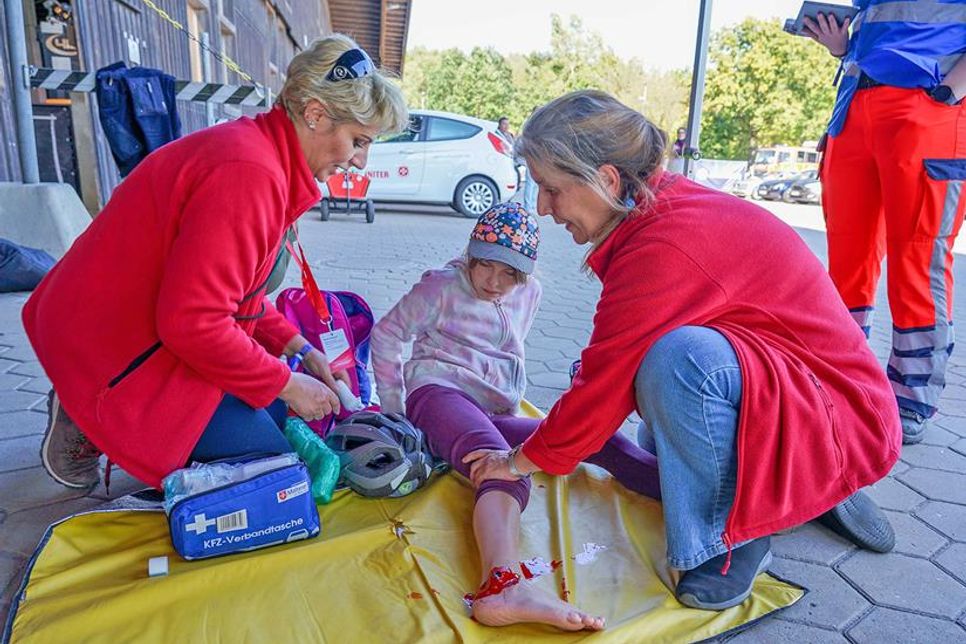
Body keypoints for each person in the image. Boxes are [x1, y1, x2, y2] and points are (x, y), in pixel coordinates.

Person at [464, 90, 900, 612]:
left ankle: (728, 538)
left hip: (840, 420)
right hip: (814, 405)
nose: (541, 207)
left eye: (550, 189)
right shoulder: (659, 208)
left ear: (606, 180)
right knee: (656, 374)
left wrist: (516, 463)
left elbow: (600, 390)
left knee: (677, 361)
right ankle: (805, 483)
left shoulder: (663, 243)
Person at [25, 34, 408, 491]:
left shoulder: (262, 157)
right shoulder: (250, 174)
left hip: (135, 326)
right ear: (316, 114)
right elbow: (194, 322)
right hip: (112, 346)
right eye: (358, 141)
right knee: (276, 476)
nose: (360, 162)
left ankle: (102, 407)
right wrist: (287, 383)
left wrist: (301, 350)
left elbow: (235, 294)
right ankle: (87, 407)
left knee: (276, 418)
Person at [370, 202, 660, 631]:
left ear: (525, 274)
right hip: (439, 394)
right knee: (503, 466)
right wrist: (396, 412)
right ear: (470, 255)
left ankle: (704, 499)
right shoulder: (442, 287)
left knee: (597, 439)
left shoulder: (530, 293)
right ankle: (502, 586)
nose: (493, 281)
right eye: (484, 265)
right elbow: (387, 334)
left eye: (509, 273)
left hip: (490, 411)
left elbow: (509, 352)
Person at [804, 3, 966, 444]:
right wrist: (842, 47)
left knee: (918, 257)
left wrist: (951, 91)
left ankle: (911, 396)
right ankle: (842, 378)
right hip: (854, 107)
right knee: (847, 261)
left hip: (930, 106)